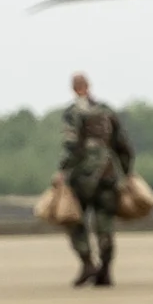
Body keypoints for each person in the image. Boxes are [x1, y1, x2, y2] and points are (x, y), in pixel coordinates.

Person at [56, 73, 135, 288]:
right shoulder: (107, 111)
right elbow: (124, 147)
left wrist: (62, 171)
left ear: (74, 88)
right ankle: (106, 271)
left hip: (82, 177)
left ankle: (88, 263)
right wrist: (127, 173)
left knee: (73, 220)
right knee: (105, 224)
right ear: (88, 86)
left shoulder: (73, 113)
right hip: (107, 176)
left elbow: (71, 145)